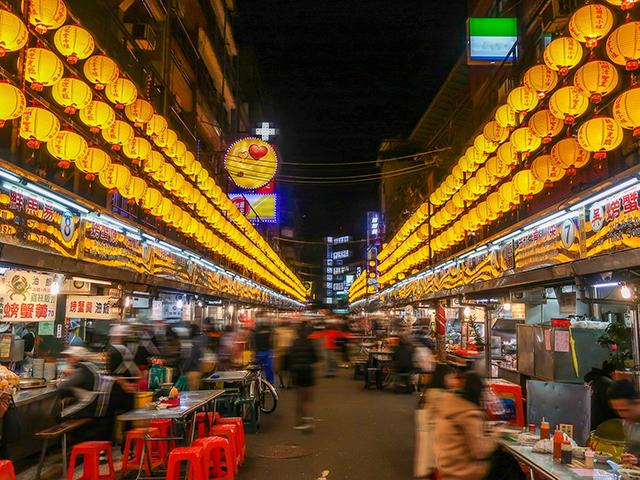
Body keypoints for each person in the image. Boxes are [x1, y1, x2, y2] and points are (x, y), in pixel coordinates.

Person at [434, 371, 500, 480]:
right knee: (508, 465)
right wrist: (495, 434)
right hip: (464, 471)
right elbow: (480, 451)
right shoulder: (469, 413)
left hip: (446, 466)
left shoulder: (450, 406)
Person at [57, 346, 113, 440]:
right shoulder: (91, 366)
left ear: (77, 358)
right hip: (100, 404)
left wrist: (62, 380)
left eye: (70, 356)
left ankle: (68, 446)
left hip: (91, 404)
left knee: (61, 416)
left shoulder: (80, 371)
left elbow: (62, 386)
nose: (67, 359)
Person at [414, 363, 457, 479]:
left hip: (430, 427)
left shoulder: (433, 390)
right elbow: (447, 411)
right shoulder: (437, 394)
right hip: (432, 429)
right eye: (450, 378)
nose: (453, 381)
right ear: (443, 378)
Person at [289, 323, 318, 431]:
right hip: (308, 373)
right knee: (308, 399)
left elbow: (290, 358)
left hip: (297, 373)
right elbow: (316, 358)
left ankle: (299, 422)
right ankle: (309, 421)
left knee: (299, 399)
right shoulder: (311, 343)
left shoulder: (294, 344)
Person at [608, 380, 640, 465]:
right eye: (617, 411)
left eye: (625, 410)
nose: (621, 415)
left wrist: (638, 461)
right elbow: (630, 450)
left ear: (637, 403)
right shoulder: (626, 422)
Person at [585, 363, 618, 430]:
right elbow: (612, 410)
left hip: (591, 426)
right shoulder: (607, 384)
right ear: (614, 373)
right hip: (602, 428)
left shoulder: (595, 380)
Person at [274, 321, 296, 388]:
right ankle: (287, 384)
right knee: (288, 369)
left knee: (281, 369)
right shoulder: (292, 331)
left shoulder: (277, 331)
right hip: (286, 353)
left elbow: (274, 342)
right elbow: (294, 341)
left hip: (281, 353)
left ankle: (282, 384)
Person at [253, 320, 274, 384]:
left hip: (258, 351)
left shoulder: (256, 331)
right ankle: (270, 383)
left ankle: (257, 382)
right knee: (268, 368)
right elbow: (271, 340)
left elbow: (254, 341)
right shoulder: (269, 330)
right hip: (267, 351)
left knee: (257, 368)